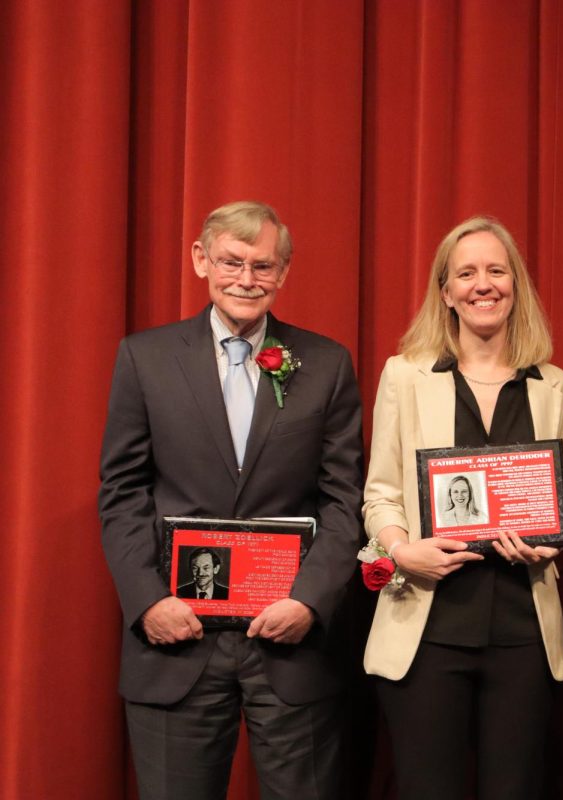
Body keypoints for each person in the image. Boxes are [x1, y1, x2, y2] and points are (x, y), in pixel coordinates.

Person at [98, 200, 364, 800]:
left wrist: (310, 602)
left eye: (263, 266)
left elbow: (344, 500)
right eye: (232, 262)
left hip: (292, 642)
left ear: (284, 273)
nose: (247, 279)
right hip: (176, 638)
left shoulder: (326, 364)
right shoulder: (144, 358)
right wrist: (147, 602)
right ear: (201, 261)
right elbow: (121, 492)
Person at [362, 216, 563, 799]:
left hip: (523, 632)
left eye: (496, 271)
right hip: (426, 629)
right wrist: (404, 552)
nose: (483, 284)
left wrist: (551, 540)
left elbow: (562, 502)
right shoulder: (404, 376)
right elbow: (380, 494)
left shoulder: (555, 386)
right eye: (467, 273)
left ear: (516, 286)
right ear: (446, 292)